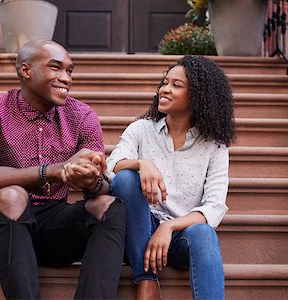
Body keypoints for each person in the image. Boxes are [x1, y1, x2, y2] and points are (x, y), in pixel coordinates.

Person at [0, 40, 126, 300]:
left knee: (109, 205)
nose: (66, 78)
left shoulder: (82, 116)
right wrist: (49, 171)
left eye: (69, 71)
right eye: (55, 68)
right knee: (13, 195)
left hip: (53, 224)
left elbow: (101, 186)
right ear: (26, 71)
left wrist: (89, 181)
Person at [107, 55, 236, 300]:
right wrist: (141, 164)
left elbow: (214, 206)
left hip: (178, 237)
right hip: (137, 230)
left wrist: (169, 226)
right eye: (165, 83)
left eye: (176, 85)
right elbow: (110, 167)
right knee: (125, 179)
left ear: (198, 96)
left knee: (204, 233)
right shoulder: (141, 129)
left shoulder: (214, 146)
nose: (165, 89)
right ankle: (145, 279)